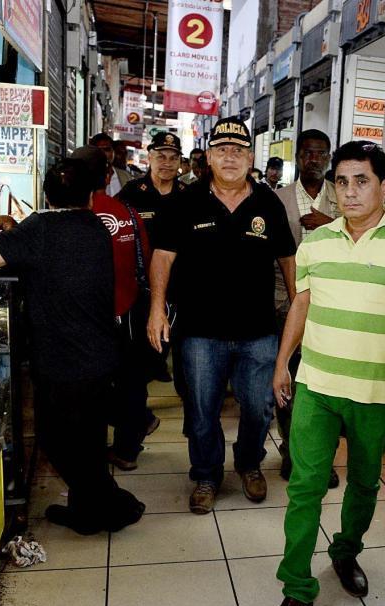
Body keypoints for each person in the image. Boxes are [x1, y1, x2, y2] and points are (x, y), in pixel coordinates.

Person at [263, 141, 385, 606]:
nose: (348, 192)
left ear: (384, 186)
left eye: (361, 181)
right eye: (341, 182)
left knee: (365, 484)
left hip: (377, 390)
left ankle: (345, 553)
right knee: (305, 486)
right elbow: (301, 304)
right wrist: (284, 363)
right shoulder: (316, 242)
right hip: (317, 385)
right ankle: (297, 588)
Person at [0, 159, 145, 534]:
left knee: (56, 439)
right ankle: (89, 512)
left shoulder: (42, 227)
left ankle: (113, 505)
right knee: (88, 440)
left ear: (46, 195)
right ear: (90, 196)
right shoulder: (95, 226)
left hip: (61, 357)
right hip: (100, 353)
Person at [147, 117, 296, 513]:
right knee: (201, 408)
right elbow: (162, 256)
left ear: (250, 157)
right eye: (222, 150)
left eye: (239, 151)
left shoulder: (268, 202)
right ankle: (206, 474)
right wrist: (156, 309)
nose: (230, 157)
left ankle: (249, 463)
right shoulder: (185, 201)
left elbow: (288, 260)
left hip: (258, 331)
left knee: (260, 406)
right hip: (199, 331)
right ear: (209, 157)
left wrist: (300, 313)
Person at [70, 146, 156, 471]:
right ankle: (127, 448)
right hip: (129, 312)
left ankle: (91, 453)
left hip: (85, 320)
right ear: (108, 176)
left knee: (88, 387)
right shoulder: (129, 215)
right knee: (131, 382)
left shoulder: (70, 217)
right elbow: (145, 264)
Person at [272, 129, 339, 486]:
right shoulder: (277, 199)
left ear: (329, 158)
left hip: (332, 304)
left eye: (321, 153)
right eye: (308, 153)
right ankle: (289, 451)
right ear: (298, 157)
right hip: (286, 302)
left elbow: (363, 234)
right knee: (289, 380)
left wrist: (331, 225)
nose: (315, 159)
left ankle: (320, 457)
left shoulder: (342, 198)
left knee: (324, 385)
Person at [118, 132, 187, 387]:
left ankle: (185, 390)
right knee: (142, 348)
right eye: (161, 156)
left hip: (181, 284)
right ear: (150, 158)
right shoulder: (133, 192)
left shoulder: (188, 195)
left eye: (173, 157)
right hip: (142, 286)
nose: (167, 163)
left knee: (182, 345)